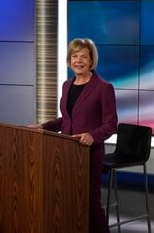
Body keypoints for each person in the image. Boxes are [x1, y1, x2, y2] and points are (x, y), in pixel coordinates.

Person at [30, 38, 117, 232]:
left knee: (89, 204)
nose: (79, 60)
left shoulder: (104, 88)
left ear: (92, 60)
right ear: (69, 61)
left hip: (88, 154)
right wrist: (43, 126)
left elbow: (111, 124)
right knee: (69, 201)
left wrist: (93, 135)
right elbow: (66, 120)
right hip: (65, 152)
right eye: (74, 56)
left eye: (84, 56)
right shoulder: (67, 85)